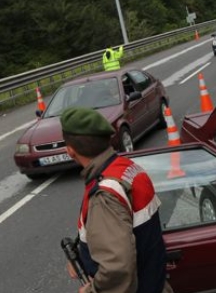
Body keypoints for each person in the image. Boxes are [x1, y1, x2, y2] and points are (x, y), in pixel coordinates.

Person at [61, 107, 173, 293]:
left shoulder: (104, 194)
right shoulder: (127, 169)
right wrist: (82, 253)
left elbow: (117, 268)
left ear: (70, 150)